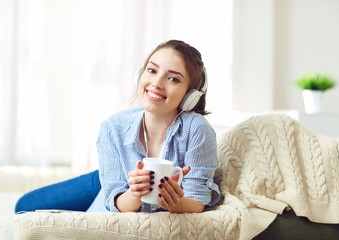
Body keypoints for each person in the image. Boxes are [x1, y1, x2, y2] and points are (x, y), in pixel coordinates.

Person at [15, 40, 220, 213]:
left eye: (173, 78)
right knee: (24, 206)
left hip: (122, 186)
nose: (156, 83)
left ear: (190, 95)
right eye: (152, 70)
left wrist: (174, 203)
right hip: (111, 179)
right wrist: (135, 192)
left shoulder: (197, 130)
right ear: (140, 75)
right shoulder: (113, 127)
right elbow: (117, 203)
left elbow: (197, 203)